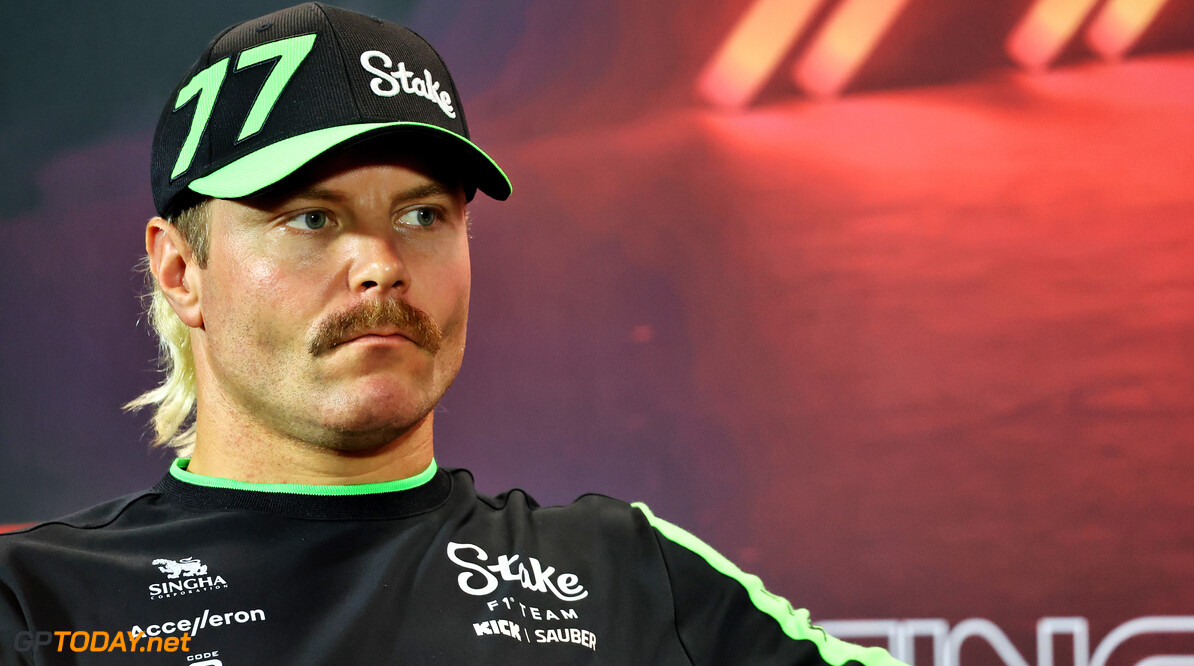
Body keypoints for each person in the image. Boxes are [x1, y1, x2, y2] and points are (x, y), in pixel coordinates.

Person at [0, 4, 904, 664]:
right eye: (312, 218)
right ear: (179, 271)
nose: (380, 263)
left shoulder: (628, 574)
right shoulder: (36, 601)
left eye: (425, 216)